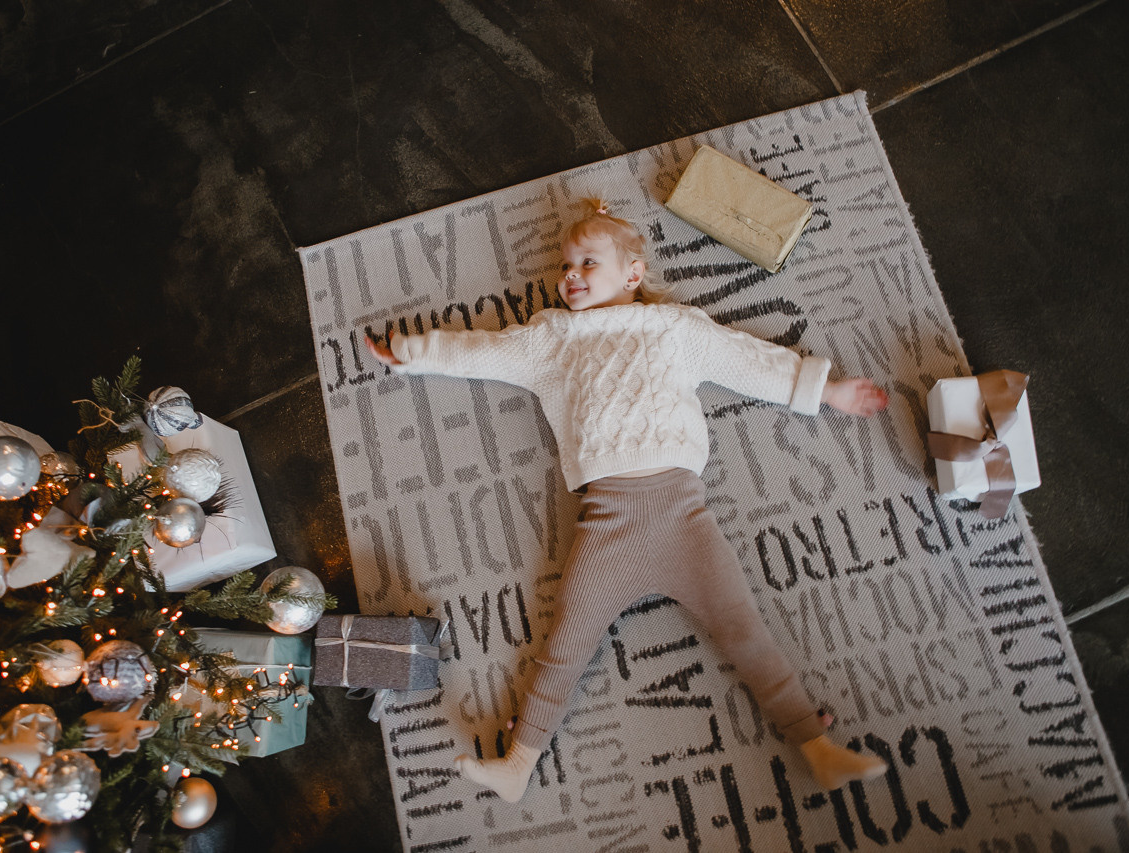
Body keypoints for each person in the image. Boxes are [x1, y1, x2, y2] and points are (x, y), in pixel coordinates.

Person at [365, 197, 889, 802]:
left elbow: (748, 361)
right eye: (566, 267)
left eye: (589, 262)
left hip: (684, 517)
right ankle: (517, 766)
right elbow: (484, 350)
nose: (571, 276)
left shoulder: (676, 328)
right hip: (605, 523)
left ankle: (817, 749)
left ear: (633, 274)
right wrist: (414, 352)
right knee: (564, 646)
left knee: (745, 630)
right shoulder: (555, 338)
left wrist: (825, 389)